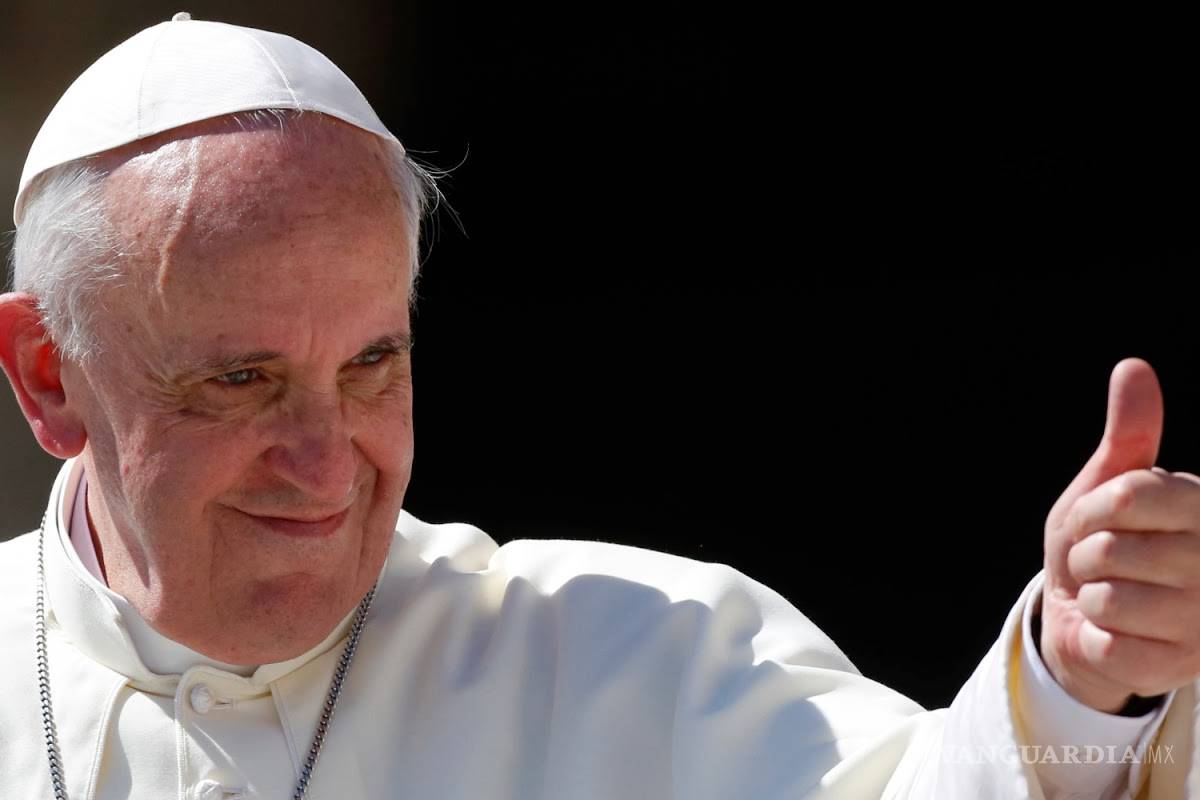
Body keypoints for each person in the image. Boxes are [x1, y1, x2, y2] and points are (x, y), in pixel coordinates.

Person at [0, 14, 1194, 799]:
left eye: (371, 365)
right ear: (50, 373)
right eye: (241, 380)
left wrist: (1078, 680)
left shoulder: (632, 654)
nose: (325, 462)